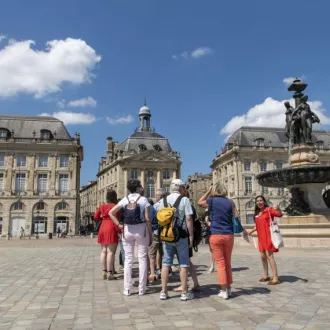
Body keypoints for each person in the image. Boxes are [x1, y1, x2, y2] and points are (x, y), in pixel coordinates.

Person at [198, 182, 247, 300]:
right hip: (229, 235)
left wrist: (208, 192)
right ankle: (229, 288)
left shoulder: (212, 201)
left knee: (220, 263)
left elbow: (200, 202)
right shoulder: (230, 202)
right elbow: (237, 216)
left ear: (214, 190)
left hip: (216, 234)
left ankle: (224, 290)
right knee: (227, 262)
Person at [109, 179, 152, 296]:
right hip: (141, 229)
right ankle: (142, 289)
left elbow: (111, 213)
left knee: (128, 260)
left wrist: (119, 225)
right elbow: (147, 218)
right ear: (138, 188)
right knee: (142, 259)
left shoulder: (125, 199)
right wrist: (150, 232)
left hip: (127, 229)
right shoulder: (144, 200)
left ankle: (127, 289)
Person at [159, 179, 194, 301]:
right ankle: (184, 293)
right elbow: (189, 218)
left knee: (166, 263)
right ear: (181, 188)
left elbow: (155, 213)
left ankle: (163, 291)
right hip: (181, 235)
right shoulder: (184, 200)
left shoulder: (163, 200)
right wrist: (191, 235)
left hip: (167, 235)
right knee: (183, 263)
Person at [248, 195, 282, 285]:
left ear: (264, 201)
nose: (259, 202)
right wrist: (249, 232)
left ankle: (276, 278)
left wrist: (278, 209)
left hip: (269, 236)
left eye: (261, 200)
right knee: (263, 257)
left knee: (270, 256)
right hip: (261, 237)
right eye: (257, 201)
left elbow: (279, 215)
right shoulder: (257, 213)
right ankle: (266, 275)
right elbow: (257, 226)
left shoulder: (269, 210)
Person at [173, 188, 200, 293]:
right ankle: (195, 283)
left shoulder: (186, 205)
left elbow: (188, 220)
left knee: (183, 262)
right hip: (189, 236)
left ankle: (184, 284)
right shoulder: (191, 207)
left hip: (185, 236)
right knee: (187, 261)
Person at [94, 190, 121, 280]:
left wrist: (101, 214)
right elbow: (116, 218)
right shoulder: (115, 206)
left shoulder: (102, 206)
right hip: (111, 227)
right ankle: (110, 272)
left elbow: (96, 217)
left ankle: (104, 271)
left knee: (103, 251)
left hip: (103, 227)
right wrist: (119, 230)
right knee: (110, 252)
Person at [204, 208, 215, 273]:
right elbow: (206, 220)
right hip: (213, 230)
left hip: (211, 230)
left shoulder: (207, 209)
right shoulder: (208, 210)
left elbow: (206, 220)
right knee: (212, 250)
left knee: (212, 250)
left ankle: (213, 266)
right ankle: (213, 266)